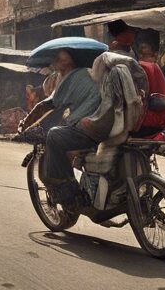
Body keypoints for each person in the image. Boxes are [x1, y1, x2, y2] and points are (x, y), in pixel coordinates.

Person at [19, 48, 103, 205]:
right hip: (102, 121)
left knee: (54, 135)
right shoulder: (85, 73)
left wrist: (25, 125)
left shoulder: (71, 77)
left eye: (59, 59)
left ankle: (67, 188)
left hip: (90, 125)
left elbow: (47, 106)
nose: (57, 62)